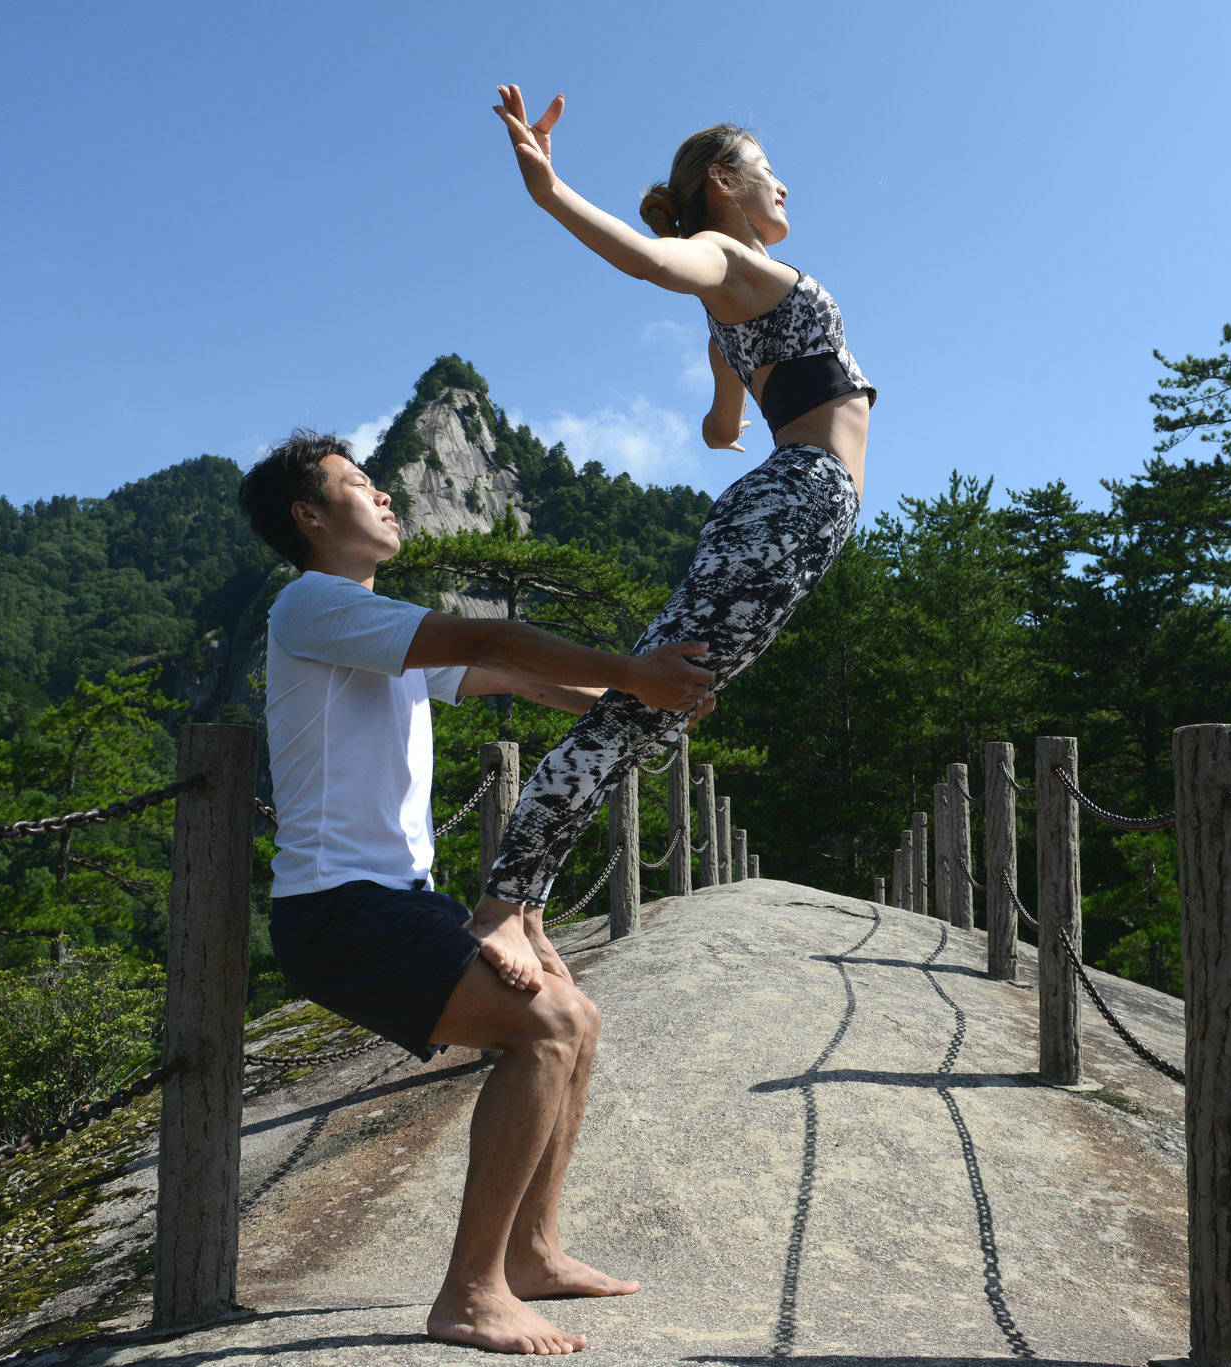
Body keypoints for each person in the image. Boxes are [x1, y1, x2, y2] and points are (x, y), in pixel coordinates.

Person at [238, 430, 715, 1355]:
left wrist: (634, 700)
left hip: (393, 899)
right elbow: (490, 635)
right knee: (546, 1029)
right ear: (308, 515)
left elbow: (504, 674)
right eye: (361, 485)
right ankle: (471, 1293)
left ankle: (533, 1254)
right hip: (339, 912)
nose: (386, 499)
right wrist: (637, 673)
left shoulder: (370, 627)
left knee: (578, 1017)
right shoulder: (312, 605)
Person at [474, 85, 874, 939]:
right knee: (641, 705)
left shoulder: (725, 313)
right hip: (795, 501)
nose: (786, 188)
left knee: (658, 707)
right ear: (724, 181)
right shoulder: (726, 262)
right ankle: (503, 909)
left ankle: (520, 904)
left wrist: (729, 428)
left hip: (787, 507)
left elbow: (721, 421)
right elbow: (656, 262)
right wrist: (549, 191)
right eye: (770, 172)